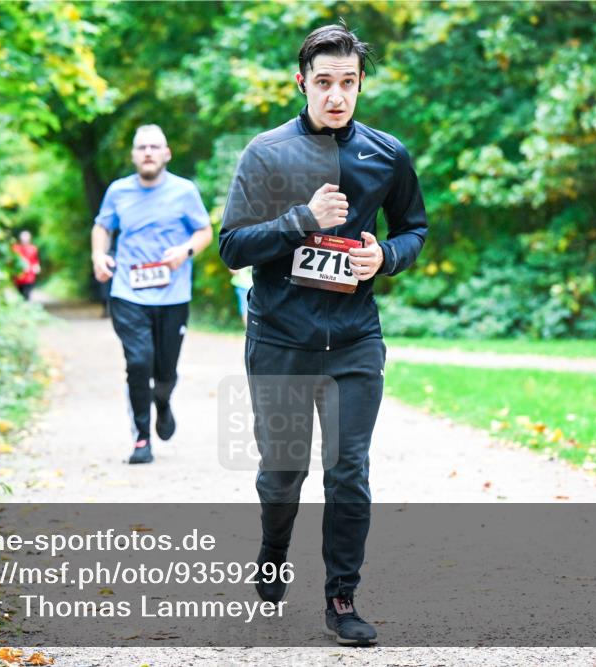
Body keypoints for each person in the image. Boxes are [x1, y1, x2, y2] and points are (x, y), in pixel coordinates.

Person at [219, 23, 428, 645]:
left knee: (348, 470)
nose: (336, 95)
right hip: (281, 338)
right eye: (324, 83)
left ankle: (342, 597)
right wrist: (300, 220)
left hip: (355, 340)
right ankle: (273, 544)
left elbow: (414, 227)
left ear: (361, 84)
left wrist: (384, 257)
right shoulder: (266, 152)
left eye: (348, 83)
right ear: (302, 83)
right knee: (283, 473)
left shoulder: (387, 154)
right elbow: (232, 247)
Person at [92, 124, 213, 464]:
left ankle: (162, 400)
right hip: (128, 293)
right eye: (141, 147)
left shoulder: (184, 191)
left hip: (173, 296)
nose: (147, 152)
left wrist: (185, 251)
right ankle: (142, 439)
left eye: (154, 146)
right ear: (133, 155)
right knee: (138, 361)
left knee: (165, 372)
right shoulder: (118, 191)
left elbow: (204, 231)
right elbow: (102, 226)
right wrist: (99, 255)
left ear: (166, 154)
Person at [12, 230, 41, 301]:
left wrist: (37, 266)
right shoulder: (15, 248)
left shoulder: (33, 249)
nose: (25, 240)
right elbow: (12, 261)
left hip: (29, 276)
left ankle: (26, 308)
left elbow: (35, 260)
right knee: (20, 294)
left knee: (27, 294)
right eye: (23, 238)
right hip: (18, 277)